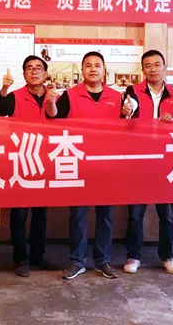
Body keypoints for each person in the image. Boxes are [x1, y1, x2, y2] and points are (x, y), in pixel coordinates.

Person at [47, 51, 121, 281]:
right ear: (82, 70)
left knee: (105, 215)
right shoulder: (70, 95)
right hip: (78, 162)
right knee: (78, 214)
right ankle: (77, 261)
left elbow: (129, 128)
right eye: (88, 65)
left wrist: (129, 114)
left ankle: (102, 260)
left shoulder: (117, 97)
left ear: (104, 70)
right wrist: (51, 102)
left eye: (97, 65)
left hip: (106, 163)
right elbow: (53, 118)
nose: (93, 69)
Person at [0, 55, 62, 277]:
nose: (34, 72)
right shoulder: (15, 96)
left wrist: (52, 102)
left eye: (38, 68)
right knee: (19, 214)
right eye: (29, 69)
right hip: (20, 161)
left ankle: (38, 257)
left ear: (45, 74)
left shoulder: (54, 96)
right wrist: (4, 89)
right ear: (24, 74)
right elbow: (0, 110)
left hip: (46, 161)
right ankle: (20, 259)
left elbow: (60, 120)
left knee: (41, 214)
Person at [120, 49, 173, 276]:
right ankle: (133, 255)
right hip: (139, 160)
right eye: (148, 65)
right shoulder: (132, 92)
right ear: (143, 70)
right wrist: (126, 112)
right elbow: (124, 119)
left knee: (167, 214)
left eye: (157, 65)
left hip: (166, 162)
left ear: (165, 68)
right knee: (135, 213)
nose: (153, 69)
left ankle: (167, 256)